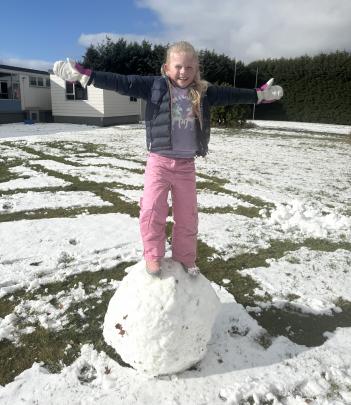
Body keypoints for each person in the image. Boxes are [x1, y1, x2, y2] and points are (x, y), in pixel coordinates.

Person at [53, 41, 283, 277]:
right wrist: (87, 76)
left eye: (189, 68)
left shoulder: (203, 92)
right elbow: (122, 81)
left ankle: (185, 257)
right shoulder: (154, 87)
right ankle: (153, 255)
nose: (184, 72)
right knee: (152, 210)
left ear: (197, 69)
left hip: (186, 166)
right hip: (159, 163)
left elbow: (231, 94)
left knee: (187, 215)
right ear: (166, 67)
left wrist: (258, 95)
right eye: (178, 66)